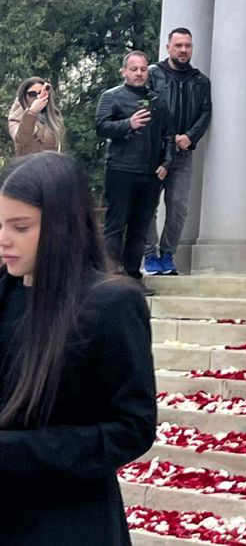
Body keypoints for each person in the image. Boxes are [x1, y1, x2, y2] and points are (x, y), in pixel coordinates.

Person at [0, 151, 157, 545]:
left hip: (67, 520)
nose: (3, 240)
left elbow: (131, 428)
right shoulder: (5, 289)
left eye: (20, 227)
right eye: (0, 224)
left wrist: (14, 452)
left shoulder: (110, 305)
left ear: (61, 225)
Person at [96, 52, 171, 288]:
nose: (139, 73)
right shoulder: (112, 97)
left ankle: (133, 277)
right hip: (121, 170)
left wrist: (166, 164)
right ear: (124, 71)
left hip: (150, 174)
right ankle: (110, 275)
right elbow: (101, 127)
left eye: (143, 69)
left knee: (140, 229)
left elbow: (168, 135)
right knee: (116, 225)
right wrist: (129, 123)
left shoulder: (157, 100)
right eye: (134, 69)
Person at [144, 28, 212, 276]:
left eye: (188, 46)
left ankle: (168, 254)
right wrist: (163, 135)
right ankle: (150, 254)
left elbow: (206, 113)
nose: (184, 50)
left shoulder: (200, 81)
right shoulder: (153, 75)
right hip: (156, 152)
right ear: (168, 47)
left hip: (183, 153)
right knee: (148, 204)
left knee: (179, 205)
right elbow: (144, 105)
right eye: (179, 45)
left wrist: (190, 136)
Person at [7, 77, 64, 156]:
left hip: (50, 165)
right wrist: (32, 112)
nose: (37, 97)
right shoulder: (16, 117)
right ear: (24, 96)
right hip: (28, 166)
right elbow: (21, 139)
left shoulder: (54, 116)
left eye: (41, 92)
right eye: (32, 94)